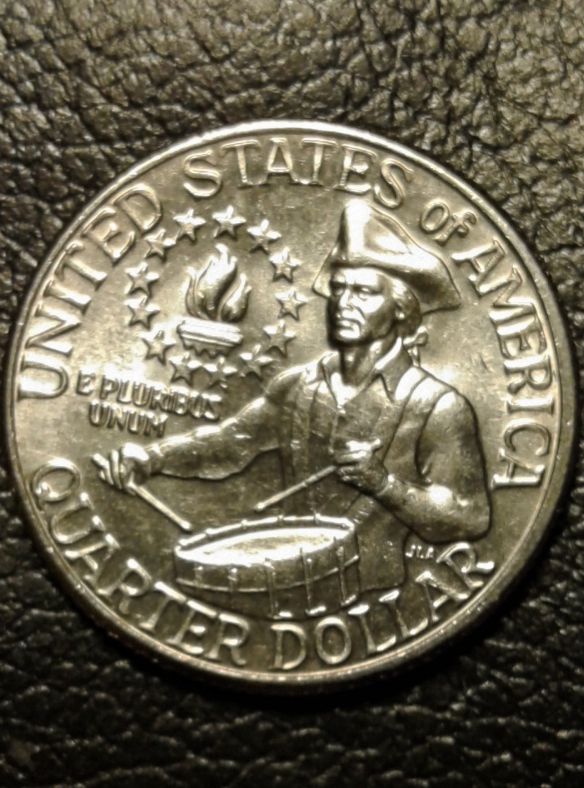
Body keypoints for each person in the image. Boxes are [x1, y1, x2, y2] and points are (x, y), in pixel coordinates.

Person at [101, 199, 491, 593]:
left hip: (376, 595)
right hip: (283, 589)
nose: (344, 304)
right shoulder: (297, 386)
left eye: (364, 292)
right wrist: (152, 458)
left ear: (401, 309)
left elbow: (468, 517)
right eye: (338, 289)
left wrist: (383, 484)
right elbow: (230, 444)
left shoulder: (438, 406)